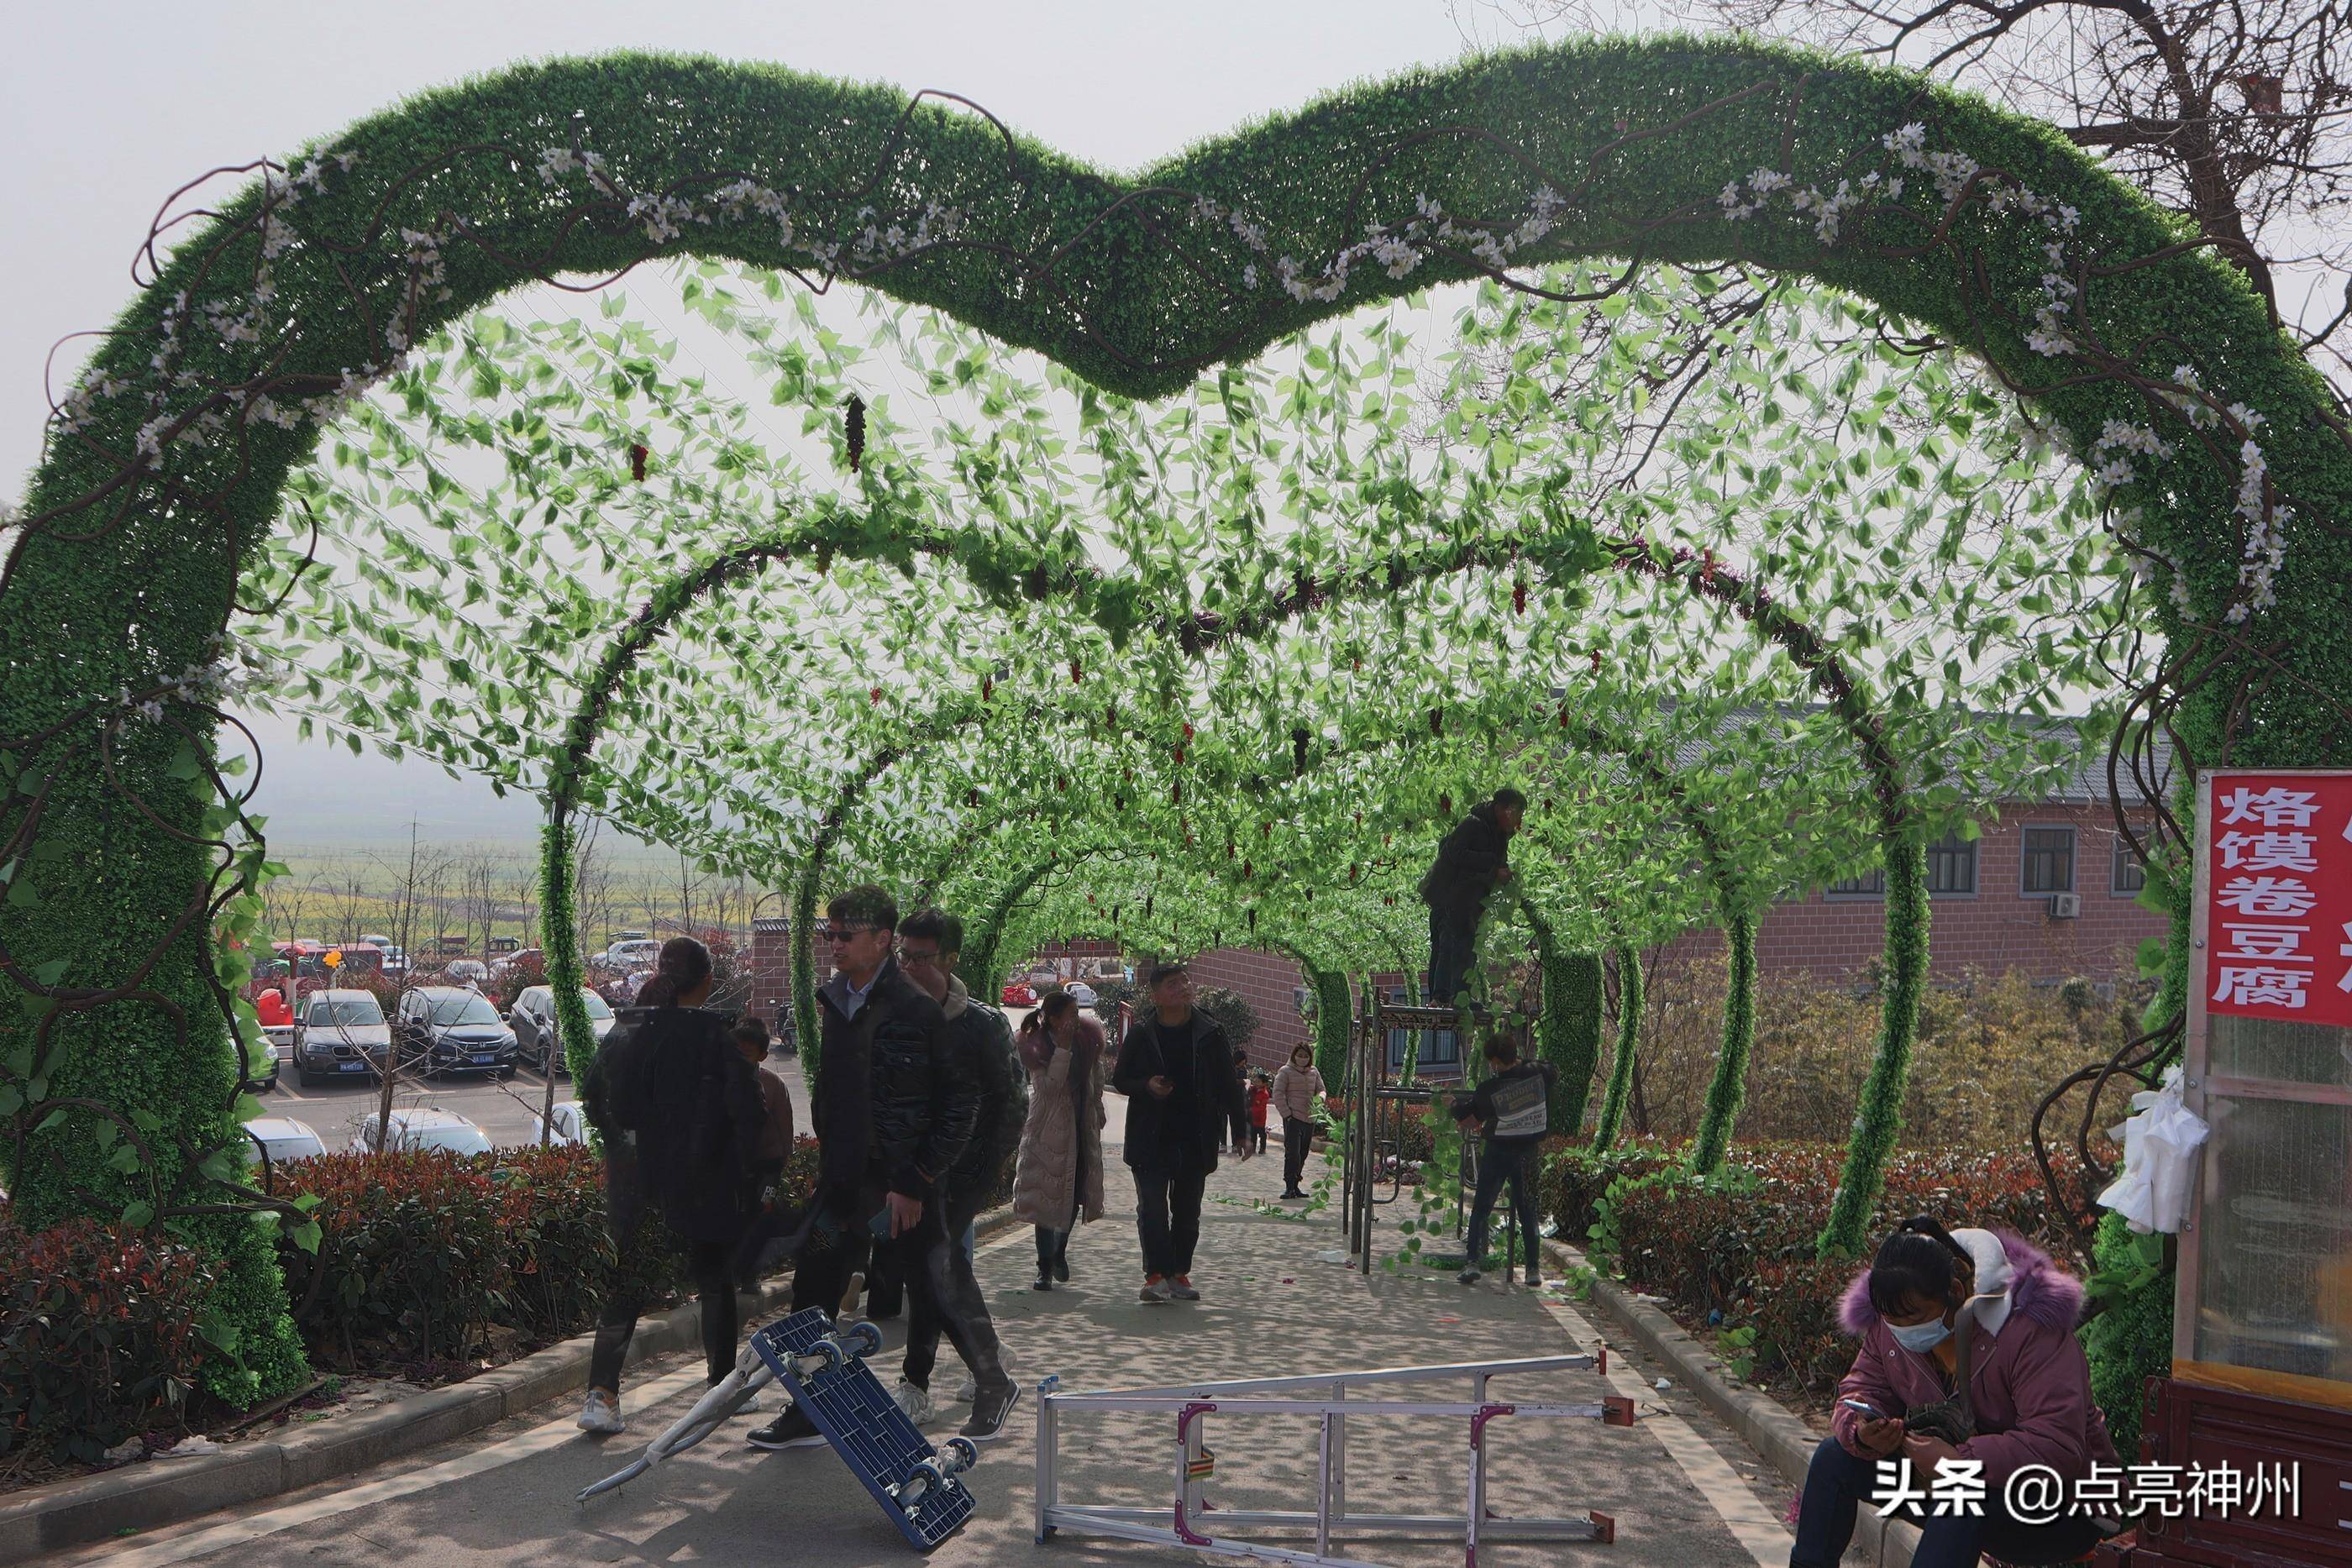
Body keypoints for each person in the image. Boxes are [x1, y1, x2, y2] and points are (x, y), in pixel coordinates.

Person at [748, 885, 1019, 1450]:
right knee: (814, 1285)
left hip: (905, 1184)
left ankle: (993, 1380)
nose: (835, 943)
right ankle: (809, 1409)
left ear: (882, 940)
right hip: (846, 1177)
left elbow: (961, 1105)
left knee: (936, 1284)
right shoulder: (840, 1000)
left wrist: (916, 1178)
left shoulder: (917, 1007)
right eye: (831, 933)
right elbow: (838, 1089)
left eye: (847, 934)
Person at [1792, 1215, 2122, 1568]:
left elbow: (2057, 1446)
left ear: (1956, 1292)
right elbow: (1861, 1389)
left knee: (1960, 1496)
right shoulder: (1889, 1322)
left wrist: (1958, 1461)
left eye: (1915, 1315)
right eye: (1892, 1320)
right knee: (1833, 1458)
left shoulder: (2029, 1329)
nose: (1903, 1330)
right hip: (1948, 1483)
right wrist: (1863, 1429)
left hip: (2062, 1506)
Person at [576, 937, 767, 1435]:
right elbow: (749, 1115)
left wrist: (625, 1151)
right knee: (715, 1282)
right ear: (706, 982)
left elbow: (596, 1097)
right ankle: (721, 1387)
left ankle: (601, 1395)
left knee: (627, 1285)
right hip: (701, 1184)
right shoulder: (714, 1039)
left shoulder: (626, 1031)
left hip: (636, 1183)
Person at [889, 909, 1024, 1424]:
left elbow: (1011, 1107)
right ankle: (985, 1359)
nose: (910, 967)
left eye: (922, 959)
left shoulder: (982, 1024)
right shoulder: (894, 1015)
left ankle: (920, 1382)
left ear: (950, 959)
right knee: (940, 1269)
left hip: (961, 1176)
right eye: (904, 956)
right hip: (911, 1174)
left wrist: (978, 1177)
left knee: (934, 1266)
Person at [1112, 960, 1251, 1303]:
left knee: (1188, 1212)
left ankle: (1179, 1273)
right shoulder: (1143, 1034)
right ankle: (1155, 1275)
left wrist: (1242, 1131)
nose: (1183, 987)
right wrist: (1146, 1085)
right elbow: (1120, 1078)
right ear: (1156, 995)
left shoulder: (1210, 1032)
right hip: (1151, 1137)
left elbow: (1228, 1085)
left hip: (1195, 1136)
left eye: (1185, 981)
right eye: (1173, 984)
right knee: (1153, 1210)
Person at [1012, 990, 1108, 1291]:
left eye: (1077, 1013)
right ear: (1053, 1019)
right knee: (1046, 1199)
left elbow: (1096, 1079)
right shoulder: (1036, 1045)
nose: (1075, 1020)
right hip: (1049, 1130)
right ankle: (1043, 1266)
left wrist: (1098, 1109)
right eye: (1069, 1014)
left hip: (1081, 1128)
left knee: (1075, 1194)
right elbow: (1049, 1089)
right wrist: (1063, 1049)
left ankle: (1059, 1253)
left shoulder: (1088, 1040)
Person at [1451, 1032, 1554, 1287]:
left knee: (1481, 1209)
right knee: (1528, 1211)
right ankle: (1532, 1269)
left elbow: (1470, 1117)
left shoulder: (1489, 1090)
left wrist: (1453, 1104)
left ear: (1495, 1061)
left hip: (1498, 1152)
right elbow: (1551, 1069)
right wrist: (1523, 1063)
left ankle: (1472, 1262)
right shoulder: (1540, 1074)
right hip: (1528, 1152)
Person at [1418, 787, 1525, 1012]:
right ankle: (1441, 996)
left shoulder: (1500, 836)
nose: (1518, 820)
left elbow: (1497, 864)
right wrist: (1493, 867)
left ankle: (1461, 997)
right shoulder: (1473, 825)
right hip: (1450, 895)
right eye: (1516, 813)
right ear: (1502, 809)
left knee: (1466, 946)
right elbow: (1454, 853)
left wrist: (1504, 874)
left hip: (1470, 900)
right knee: (1448, 944)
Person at [1271, 1043, 1326, 1200]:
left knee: (1303, 1153)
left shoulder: (1314, 1072)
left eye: (1305, 1056)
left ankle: (1296, 1184)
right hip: (1293, 1118)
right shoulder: (1285, 1071)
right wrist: (1287, 1114)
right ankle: (1289, 1186)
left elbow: (1321, 1089)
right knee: (1292, 1153)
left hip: (1310, 1119)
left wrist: (1320, 1098)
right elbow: (1278, 1093)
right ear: (1294, 1055)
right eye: (1300, 1055)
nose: (1302, 1059)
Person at [1226, 1042, 1252, 1154]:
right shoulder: (1229, 1067)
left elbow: (1242, 1081)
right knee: (1231, 1123)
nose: (1243, 1063)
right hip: (1230, 1098)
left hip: (1240, 1099)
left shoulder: (1243, 1070)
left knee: (1239, 1122)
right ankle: (1232, 1143)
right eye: (1242, 1061)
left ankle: (1239, 1143)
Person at [1247, 1072, 1272, 1155]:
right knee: (1253, 1134)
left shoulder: (1264, 1094)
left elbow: (1261, 1108)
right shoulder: (1253, 1089)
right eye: (1255, 1081)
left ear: (1264, 1083)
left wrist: (1251, 1110)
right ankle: (1253, 1148)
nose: (1256, 1083)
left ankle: (1262, 1148)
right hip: (1252, 1118)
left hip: (1260, 1118)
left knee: (1262, 1135)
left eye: (1258, 1082)